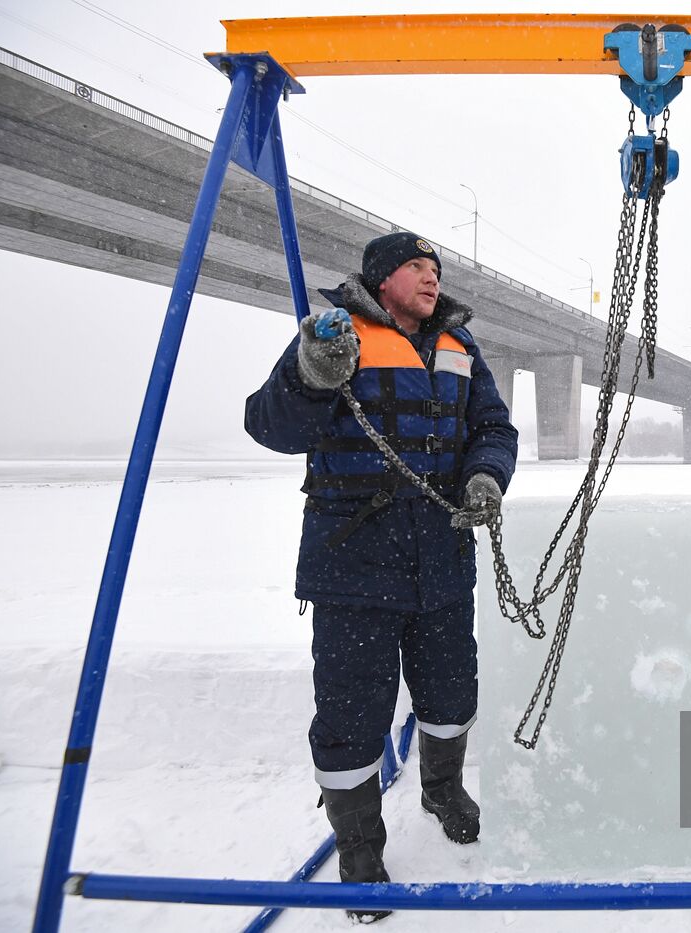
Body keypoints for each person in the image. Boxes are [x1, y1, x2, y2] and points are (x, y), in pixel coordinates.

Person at [246, 231, 518, 923]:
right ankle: (359, 846)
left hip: (443, 560)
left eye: (435, 269)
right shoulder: (336, 335)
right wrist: (311, 373)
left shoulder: (461, 347)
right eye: (416, 268)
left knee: (452, 689)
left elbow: (493, 425)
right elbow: (269, 424)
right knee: (351, 712)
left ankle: (442, 788)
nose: (432, 279)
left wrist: (486, 475)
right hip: (353, 564)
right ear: (381, 279)